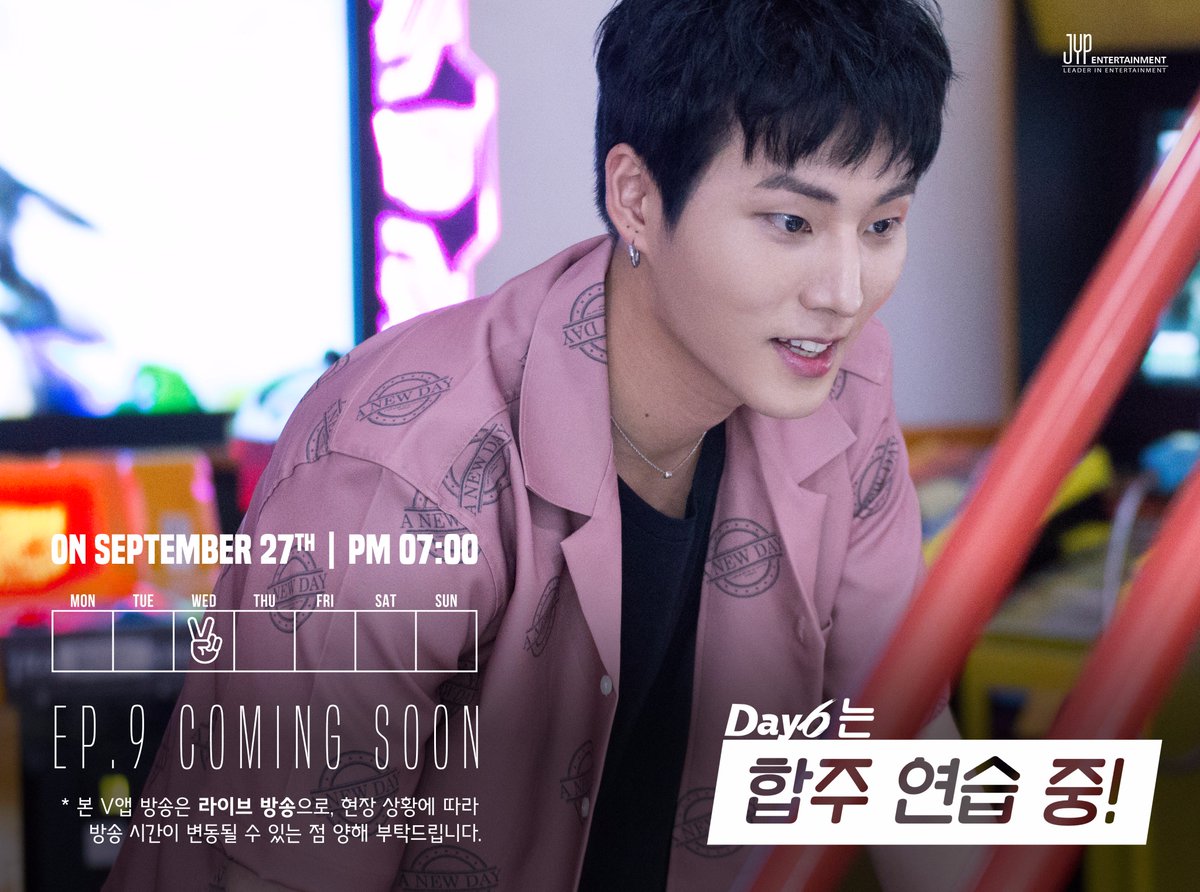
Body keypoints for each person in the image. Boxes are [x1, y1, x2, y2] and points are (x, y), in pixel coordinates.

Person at [106, 1, 965, 889]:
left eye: (881, 225)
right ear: (637, 199)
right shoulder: (402, 473)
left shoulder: (842, 391)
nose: (845, 292)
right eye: (791, 223)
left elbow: (899, 752)